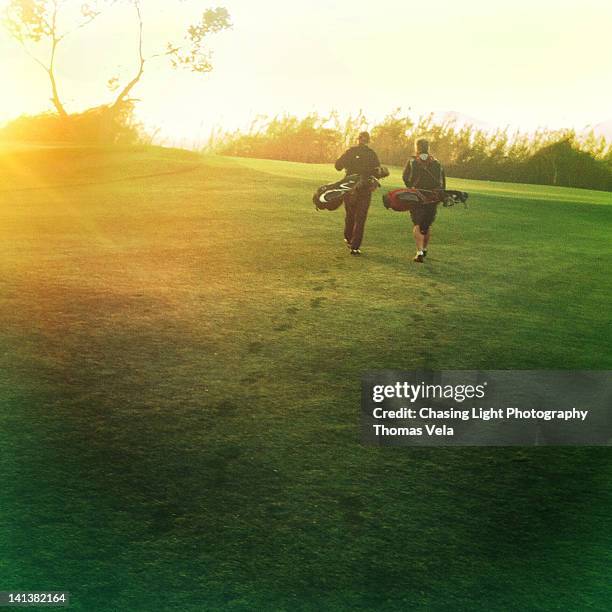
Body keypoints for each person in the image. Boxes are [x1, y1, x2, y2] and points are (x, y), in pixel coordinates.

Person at [334, 131, 381, 255]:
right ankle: (355, 246)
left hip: (350, 187)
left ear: (358, 139)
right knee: (361, 217)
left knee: (350, 214)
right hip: (365, 188)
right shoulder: (372, 154)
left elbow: (338, 166)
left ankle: (349, 239)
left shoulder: (351, 151)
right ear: (368, 141)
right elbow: (378, 172)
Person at [402, 138, 446, 263]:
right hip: (433, 197)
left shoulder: (412, 161)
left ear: (417, 147)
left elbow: (405, 178)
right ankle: (425, 249)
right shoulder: (437, 163)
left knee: (417, 223)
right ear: (428, 147)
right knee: (426, 225)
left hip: (417, 196)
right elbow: (442, 181)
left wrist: (411, 187)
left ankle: (419, 251)